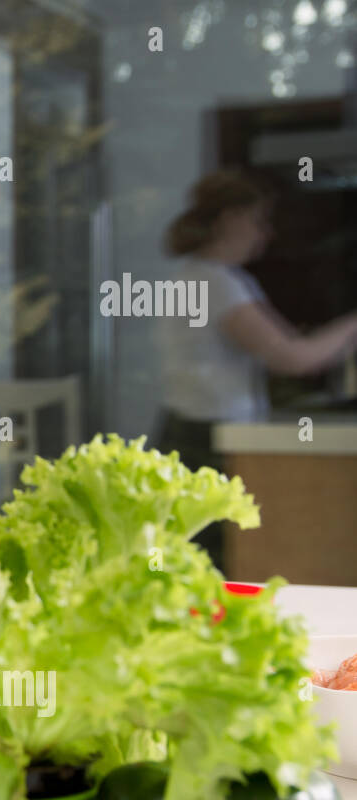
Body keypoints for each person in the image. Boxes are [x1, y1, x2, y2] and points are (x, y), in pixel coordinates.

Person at [156, 170, 357, 568]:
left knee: (194, 558)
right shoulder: (220, 283)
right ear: (231, 219)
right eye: (259, 220)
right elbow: (290, 357)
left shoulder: (189, 276)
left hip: (187, 428)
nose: (266, 234)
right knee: (218, 561)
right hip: (211, 437)